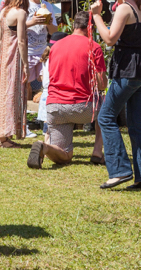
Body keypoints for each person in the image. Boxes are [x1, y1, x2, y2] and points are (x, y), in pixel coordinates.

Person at [91, 0, 141, 189]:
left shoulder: (123, 9)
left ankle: (119, 170)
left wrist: (97, 16)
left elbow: (109, 39)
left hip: (128, 70)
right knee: (136, 122)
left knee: (106, 117)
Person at [28, 11, 105, 169]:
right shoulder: (94, 47)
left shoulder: (56, 47)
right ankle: (97, 151)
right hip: (83, 107)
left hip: (55, 106)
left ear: (74, 25)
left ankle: (45, 147)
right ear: (90, 28)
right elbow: (102, 84)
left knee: (64, 155)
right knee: (106, 104)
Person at [0, 0, 29, 148]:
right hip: (14, 57)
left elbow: (0, 39)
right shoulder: (20, 13)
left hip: (3, 56)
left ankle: (1, 134)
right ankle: (3, 137)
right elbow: (21, 40)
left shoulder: (3, 12)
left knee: (3, 93)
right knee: (11, 93)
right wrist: (26, 65)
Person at [25, 0, 59, 91]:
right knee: (25, 84)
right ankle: (24, 109)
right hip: (26, 51)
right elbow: (15, 28)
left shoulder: (47, 6)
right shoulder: (24, 4)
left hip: (42, 51)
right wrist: (33, 22)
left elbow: (53, 31)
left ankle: (42, 108)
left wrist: (48, 23)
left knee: (45, 82)